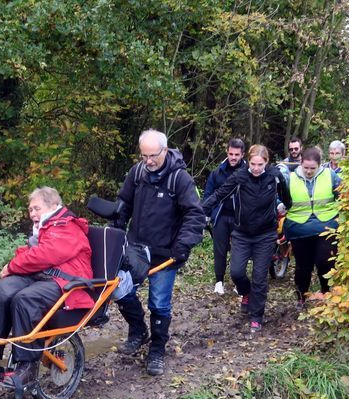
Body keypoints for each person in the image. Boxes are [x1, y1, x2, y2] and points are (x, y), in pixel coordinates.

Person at [0, 187, 94, 391]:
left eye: (36, 208)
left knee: (25, 299)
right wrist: (14, 265)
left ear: (53, 206)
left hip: (66, 284)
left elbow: (46, 254)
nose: (32, 213)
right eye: (30, 209)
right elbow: (33, 254)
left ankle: (27, 368)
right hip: (40, 278)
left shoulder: (68, 227)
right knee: (0, 291)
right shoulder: (45, 229)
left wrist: (13, 266)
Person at [113, 129, 205, 376]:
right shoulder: (138, 173)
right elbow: (124, 203)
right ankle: (138, 331)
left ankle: (156, 349)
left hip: (167, 252)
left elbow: (195, 214)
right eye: (144, 156)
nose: (149, 161)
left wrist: (183, 244)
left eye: (153, 155)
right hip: (136, 248)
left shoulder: (180, 179)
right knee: (121, 289)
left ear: (165, 151)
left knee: (159, 303)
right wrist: (116, 227)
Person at [202, 144, 291, 333]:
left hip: (266, 234)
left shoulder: (274, 176)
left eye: (260, 164)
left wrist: (283, 206)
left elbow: (286, 197)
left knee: (260, 277)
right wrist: (200, 211)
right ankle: (246, 292)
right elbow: (219, 194)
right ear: (248, 162)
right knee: (236, 273)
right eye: (253, 164)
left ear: (266, 162)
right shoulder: (240, 177)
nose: (256, 168)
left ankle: (256, 316)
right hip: (242, 233)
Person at [284, 147, 341, 305]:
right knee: (303, 265)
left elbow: (344, 194)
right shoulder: (290, 178)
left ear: (320, 165)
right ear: (300, 163)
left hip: (326, 225)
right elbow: (280, 198)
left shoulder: (330, 176)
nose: (309, 171)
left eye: (313, 168)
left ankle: (326, 293)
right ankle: (301, 297)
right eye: (306, 168)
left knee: (326, 260)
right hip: (299, 228)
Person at [203, 138, 247, 295]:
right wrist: (207, 214)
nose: (233, 157)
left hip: (240, 218)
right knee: (219, 250)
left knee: (238, 250)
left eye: (237, 154)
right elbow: (208, 194)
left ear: (242, 154)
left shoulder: (249, 171)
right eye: (231, 154)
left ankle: (238, 281)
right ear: (227, 153)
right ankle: (219, 281)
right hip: (221, 216)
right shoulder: (217, 172)